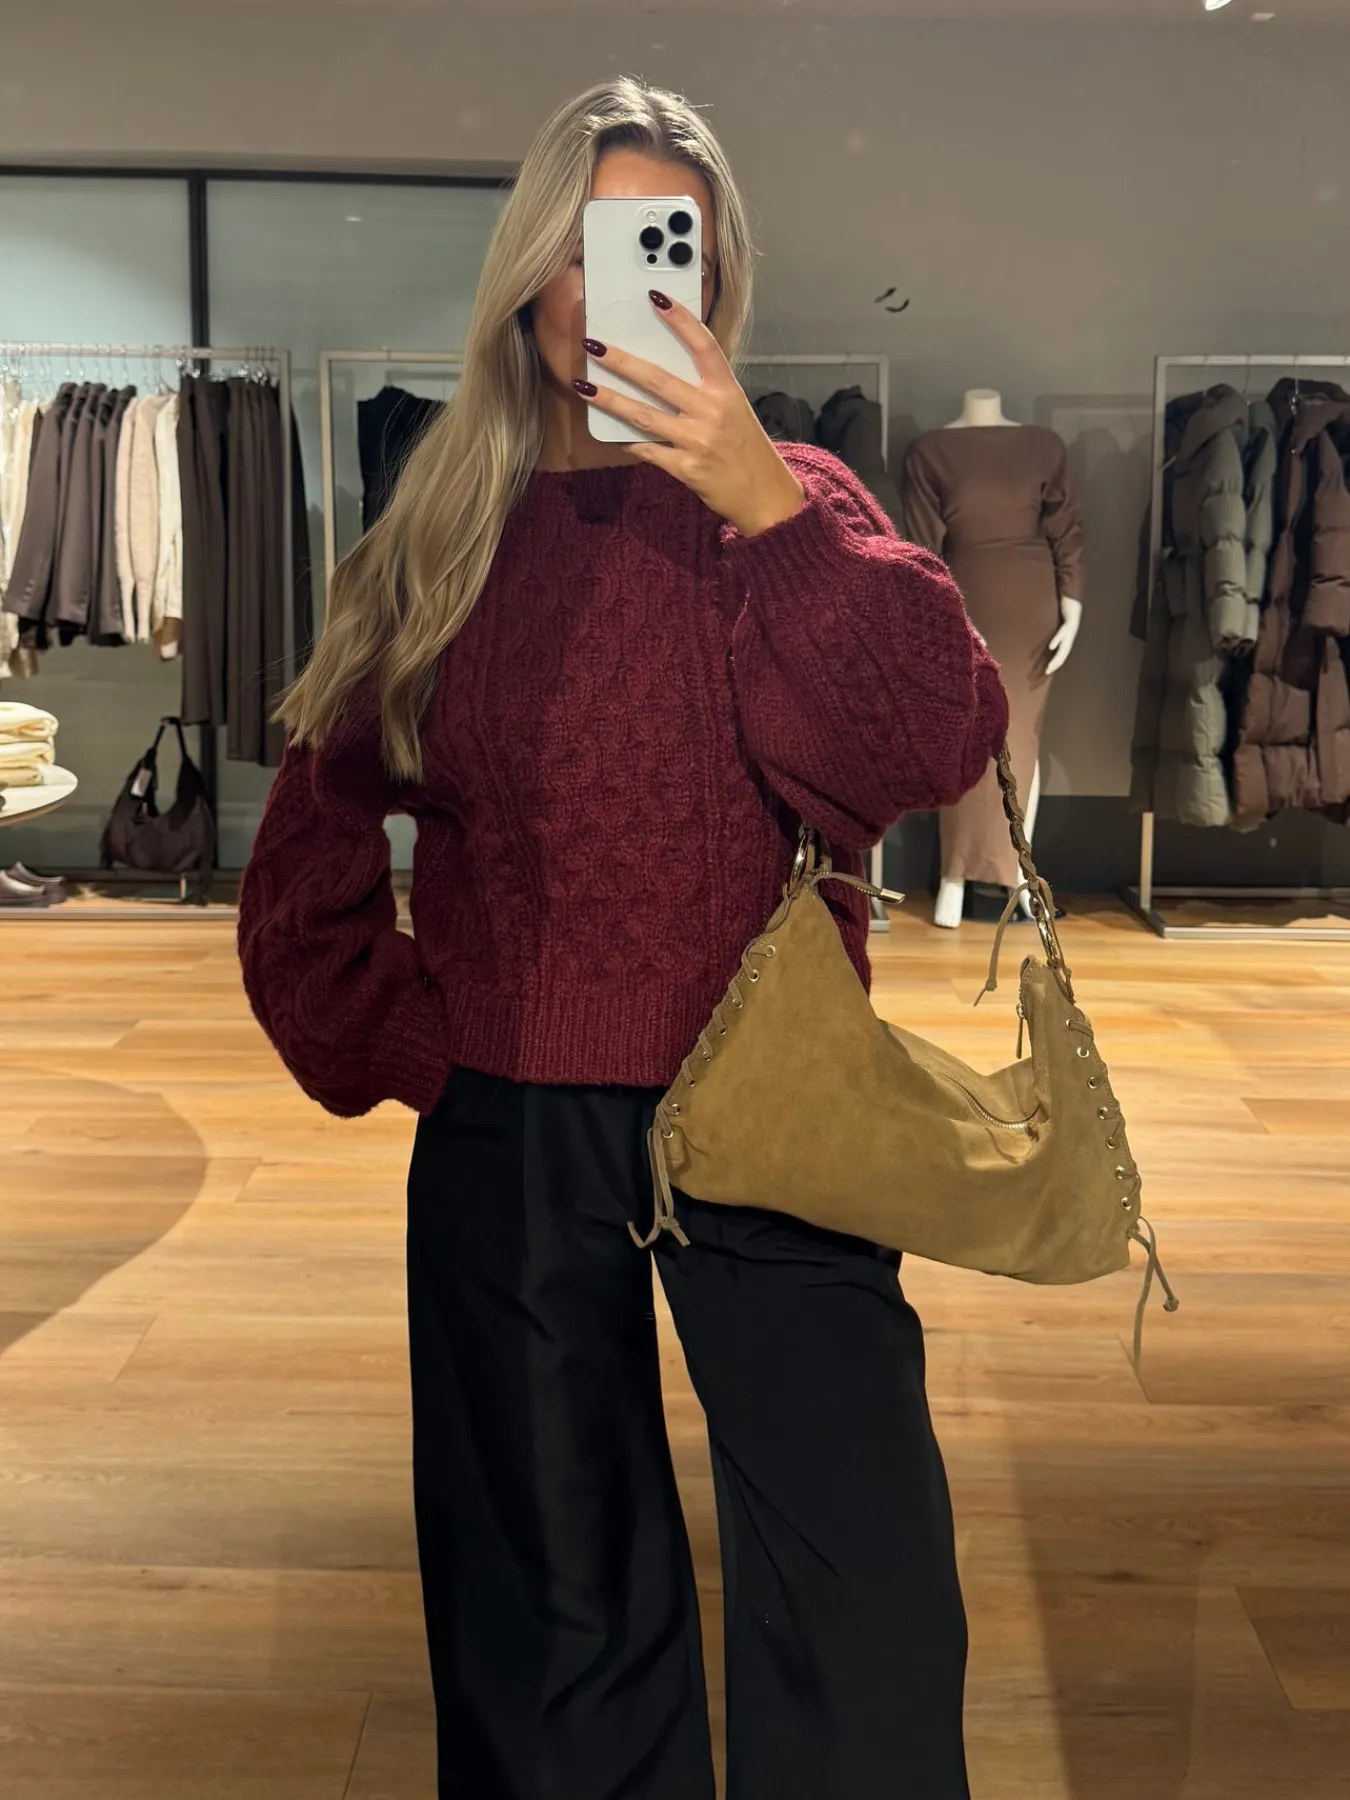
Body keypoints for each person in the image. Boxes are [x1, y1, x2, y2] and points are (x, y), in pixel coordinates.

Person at [238, 77, 1007, 1800]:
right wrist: (405, 1034)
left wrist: (767, 509)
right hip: (511, 1110)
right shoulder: (443, 533)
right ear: (531, 274)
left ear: (717, 278)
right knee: (547, 1602)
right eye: (596, 247)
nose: (632, 287)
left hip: (779, 1095)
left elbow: (929, 745)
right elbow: (310, 827)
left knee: (863, 1582)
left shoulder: (797, 502)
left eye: (675, 248)